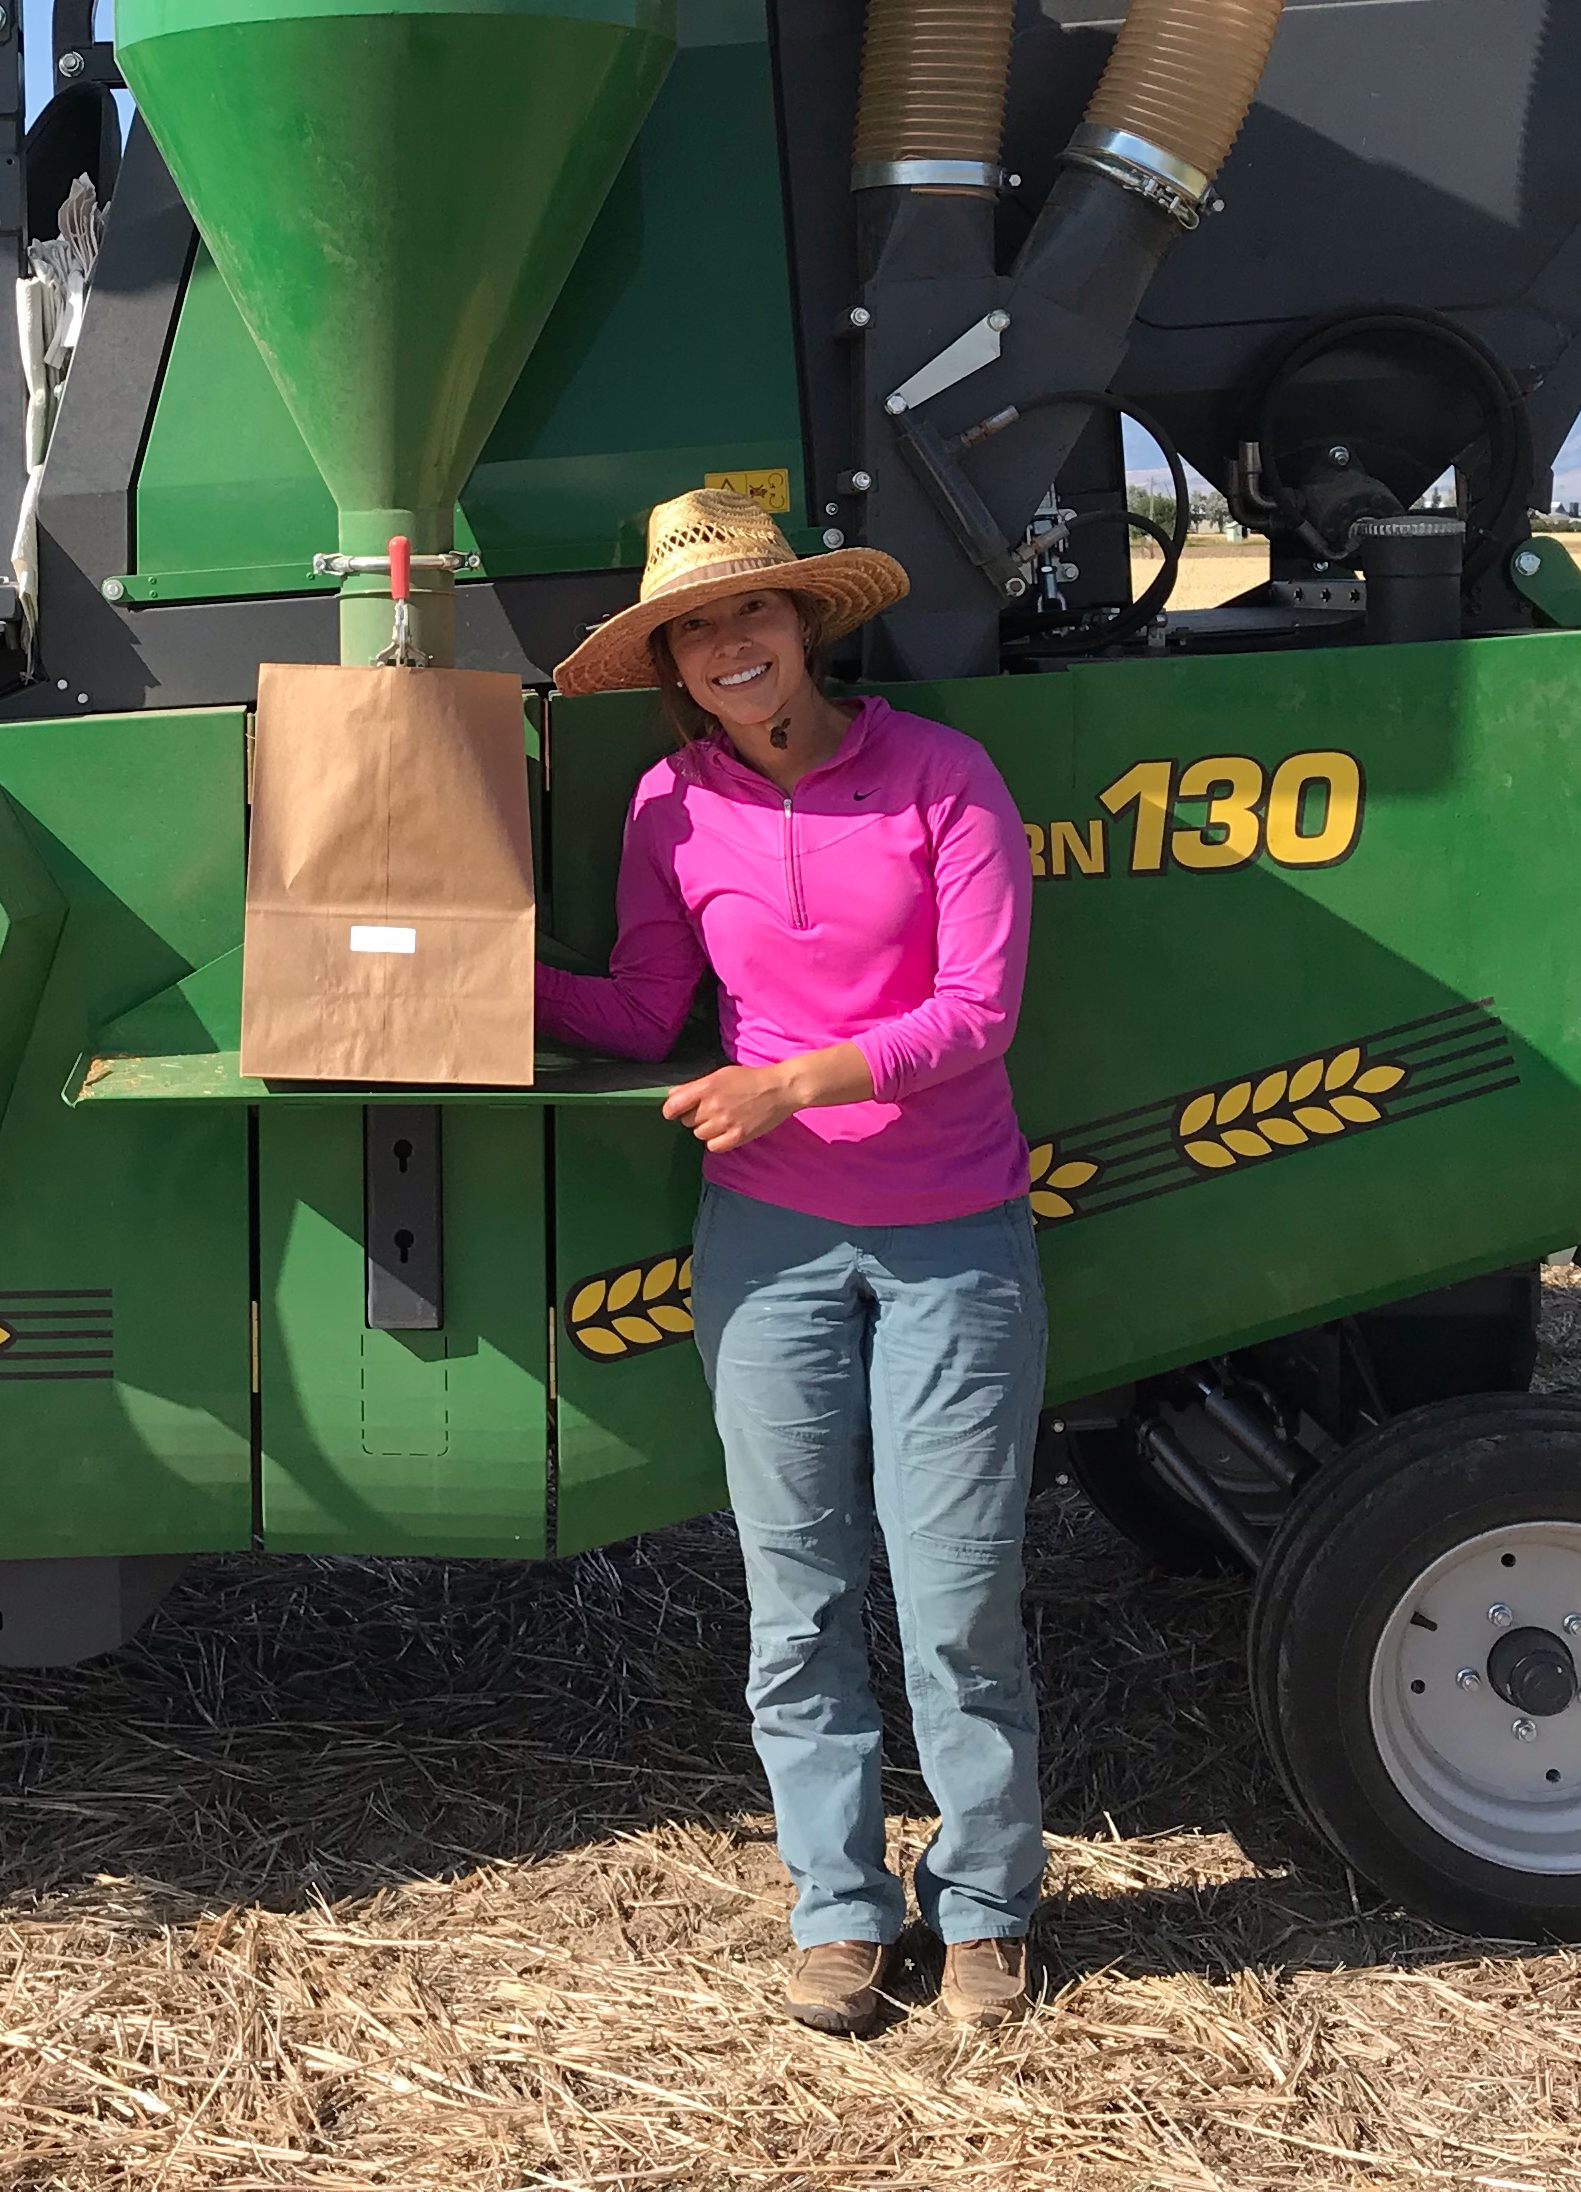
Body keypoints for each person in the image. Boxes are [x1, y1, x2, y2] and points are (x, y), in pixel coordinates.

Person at [536, 488, 1042, 2040]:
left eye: (749, 611)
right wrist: (431, 967)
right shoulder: (669, 810)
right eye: (694, 630)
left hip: (952, 1236)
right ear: (674, 667)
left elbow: (978, 1014)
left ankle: (988, 1908)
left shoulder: (942, 776)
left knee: (957, 1599)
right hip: (769, 1246)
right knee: (796, 1593)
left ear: (806, 620)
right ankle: (838, 1906)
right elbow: (638, 1007)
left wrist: (795, 1082)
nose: (727, 643)